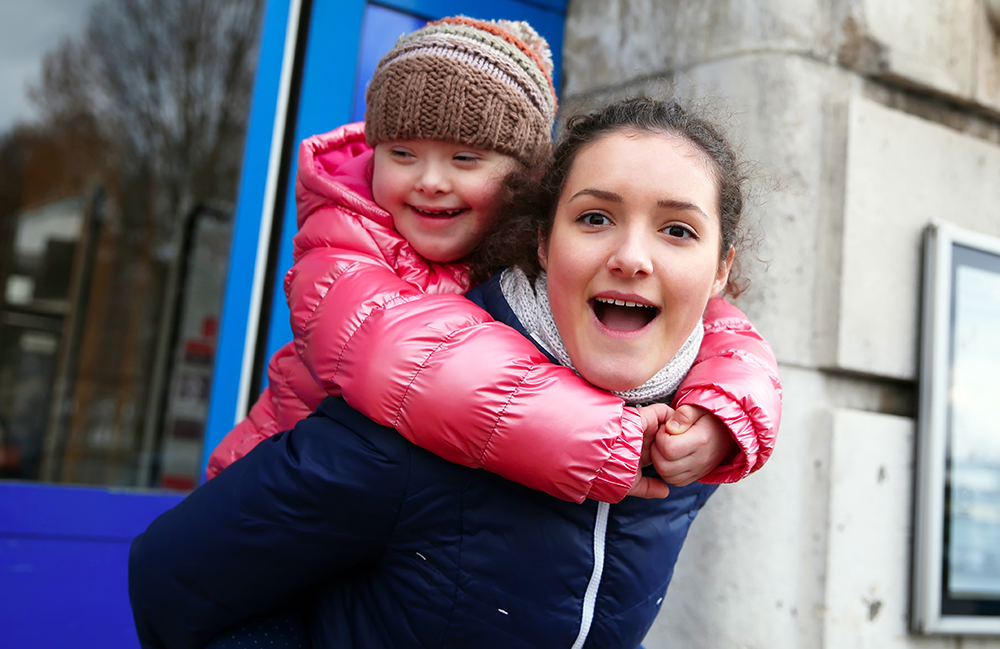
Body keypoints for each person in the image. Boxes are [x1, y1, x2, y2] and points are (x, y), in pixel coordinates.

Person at [129, 96, 779, 649]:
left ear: (720, 271)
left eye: (677, 230)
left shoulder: (692, 448)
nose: (632, 256)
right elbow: (171, 579)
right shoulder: (417, 420)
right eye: (595, 218)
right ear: (544, 244)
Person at [206, 16, 781, 503]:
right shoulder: (343, 245)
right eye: (402, 153)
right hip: (260, 498)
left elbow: (718, 329)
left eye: (464, 158)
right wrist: (604, 441)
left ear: (525, 181)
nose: (430, 181)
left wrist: (724, 413)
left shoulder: (536, 260)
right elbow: (419, 367)